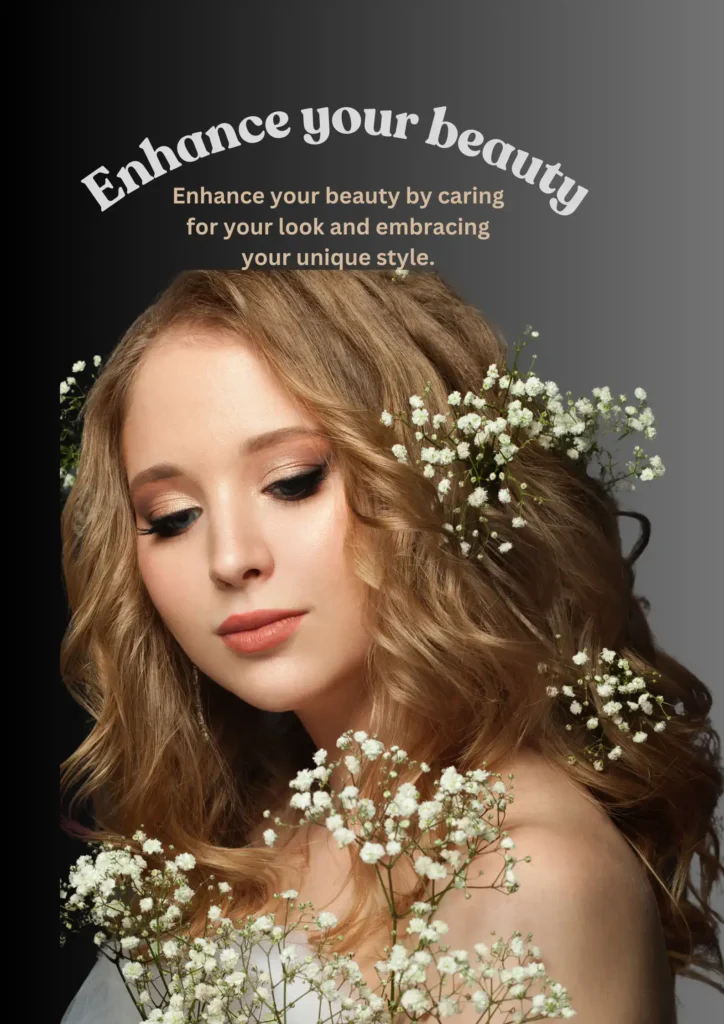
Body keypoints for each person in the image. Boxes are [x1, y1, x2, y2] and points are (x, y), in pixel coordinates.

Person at [60, 269, 722, 1023]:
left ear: (429, 476)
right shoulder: (244, 834)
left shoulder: (529, 877)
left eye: (292, 480)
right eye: (173, 516)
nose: (229, 557)